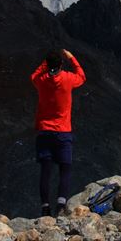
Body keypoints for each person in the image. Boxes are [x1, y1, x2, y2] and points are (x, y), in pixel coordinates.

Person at [31, 48, 86, 217]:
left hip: (44, 132)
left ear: (47, 66)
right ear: (61, 65)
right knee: (65, 169)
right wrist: (71, 57)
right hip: (63, 132)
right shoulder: (68, 79)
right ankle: (61, 204)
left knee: (46, 171)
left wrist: (44, 64)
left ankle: (45, 207)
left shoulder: (40, 81)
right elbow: (82, 76)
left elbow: (33, 76)